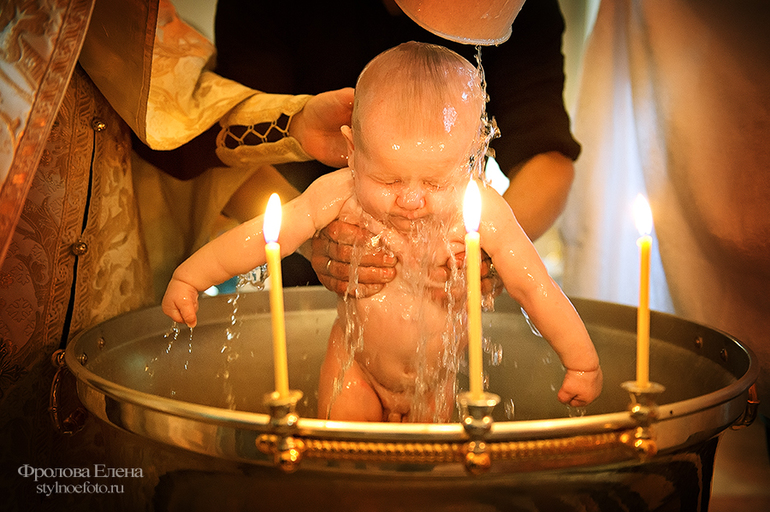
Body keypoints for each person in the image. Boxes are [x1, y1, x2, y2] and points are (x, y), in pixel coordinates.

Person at [0, 0, 353, 508]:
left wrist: (296, 125)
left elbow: (179, 115)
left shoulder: (117, 22)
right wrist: (192, 278)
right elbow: (272, 229)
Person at [162, 42, 602, 423]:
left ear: (474, 161)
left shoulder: (480, 208)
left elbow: (534, 284)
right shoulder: (339, 192)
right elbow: (267, 234)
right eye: (389, 181)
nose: (412, 200)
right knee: (346, 469)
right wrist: (192, 277)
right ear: (352, 152)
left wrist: (580, 361)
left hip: (435, 380)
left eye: (435, 183)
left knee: (427, 480)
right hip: (355, 366)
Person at [213, 0, 581, 293]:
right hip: (299, 285)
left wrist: (490, 253)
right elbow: (217, 147)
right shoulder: (267, 6)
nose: (410, 200)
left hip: (448, 288)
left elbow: (546, 160)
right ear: (351, 146)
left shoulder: (518, 8)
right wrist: (315, 239)